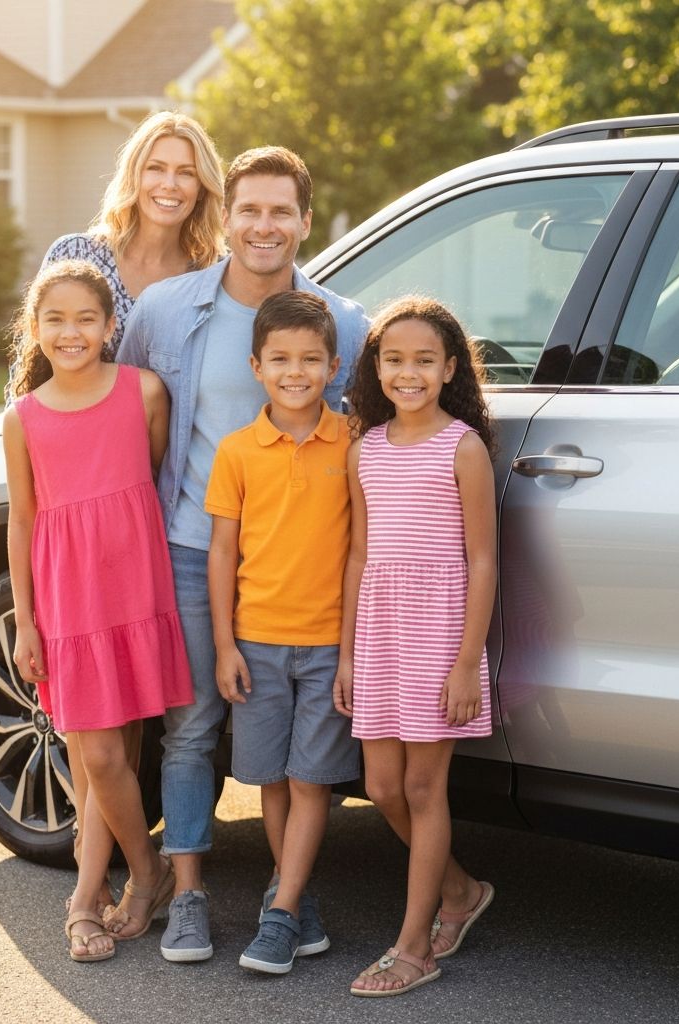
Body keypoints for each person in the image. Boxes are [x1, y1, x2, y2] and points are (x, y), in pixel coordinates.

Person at [117, 145, 368, 963]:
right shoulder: (164, 308)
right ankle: (187, 893)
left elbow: (370, 436)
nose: (264, 226)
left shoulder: (347, 324)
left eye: (281, 212)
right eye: (249, 209)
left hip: (302, 568)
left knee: (296, 747)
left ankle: (287, 895)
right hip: (194, 550)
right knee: (191, 731)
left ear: (304, 219)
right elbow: (121, 415)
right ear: (226, 216)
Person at [3, 259, 194, 962]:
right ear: (35, 328)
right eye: (55, 318)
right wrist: (26, 619)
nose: (71, 331)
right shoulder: (22, 418)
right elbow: (22, 521)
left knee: (119, 750)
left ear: (113, 325)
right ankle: (143, 873)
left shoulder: (143, 392)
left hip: (133, 589)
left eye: (87, 317)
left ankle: (94, 891)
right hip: (67, 601)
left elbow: (150, 475)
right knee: (100, 750)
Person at [333, 296, 497, 997]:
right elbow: (360, 555)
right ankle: (460, 892)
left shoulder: (463, 447)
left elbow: (483, 561)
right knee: (381, 788)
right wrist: (347, 654)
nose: (408, 373)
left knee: (425, 787)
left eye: (425, 360)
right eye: (394, 360)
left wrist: (466, 664)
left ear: (450, 367)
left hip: (438, 635)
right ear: (376, 367)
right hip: (379, 632)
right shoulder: (364, 449)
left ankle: (413, 947)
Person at [205, 290, 359, 974]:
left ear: (332, 366)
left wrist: (352, 651)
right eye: (280, 360)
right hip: (256, 643)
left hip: (327, 644)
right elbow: (221, 553)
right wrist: (223, 644)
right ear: (256, 366)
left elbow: (360, 550)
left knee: (309, 781)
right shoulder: (238, 452)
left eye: (310, 359)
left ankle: (281, 911)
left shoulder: (352, 444)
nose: (295, 371)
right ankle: (296, 899)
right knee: (269, 779)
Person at [41, 110, 225, 356]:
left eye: (186, 173)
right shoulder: (75, 254)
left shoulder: (213, 274)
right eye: (156, 168)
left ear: (201, 188)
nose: (169, 184)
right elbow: (31, 365)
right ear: (134, 176)